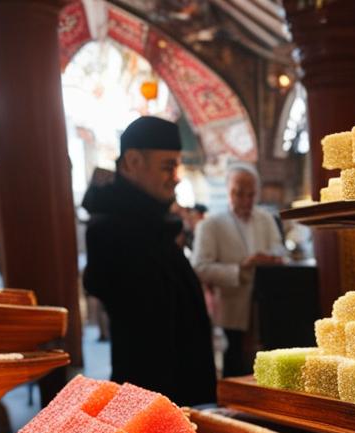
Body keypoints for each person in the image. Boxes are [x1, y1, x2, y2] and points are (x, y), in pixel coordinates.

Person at [82, 116, 217, 406]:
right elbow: (146, 330)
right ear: (132, 162)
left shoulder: (155, 223)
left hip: (180, 392)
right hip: (151, 398)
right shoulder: (112, 229)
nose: (176, 176)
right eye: (167, 166)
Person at [192, 163, 286, 377]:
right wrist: (238, 270)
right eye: (239, 193)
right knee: (235, 364)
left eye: (251, 194)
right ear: (228, 191)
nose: (245, 200)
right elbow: (199, 267)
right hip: (231, 306)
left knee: (269, 362)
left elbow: (279, 249)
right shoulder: (210, 225)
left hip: (266, 304)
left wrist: (271, 258)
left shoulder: (266, 218)